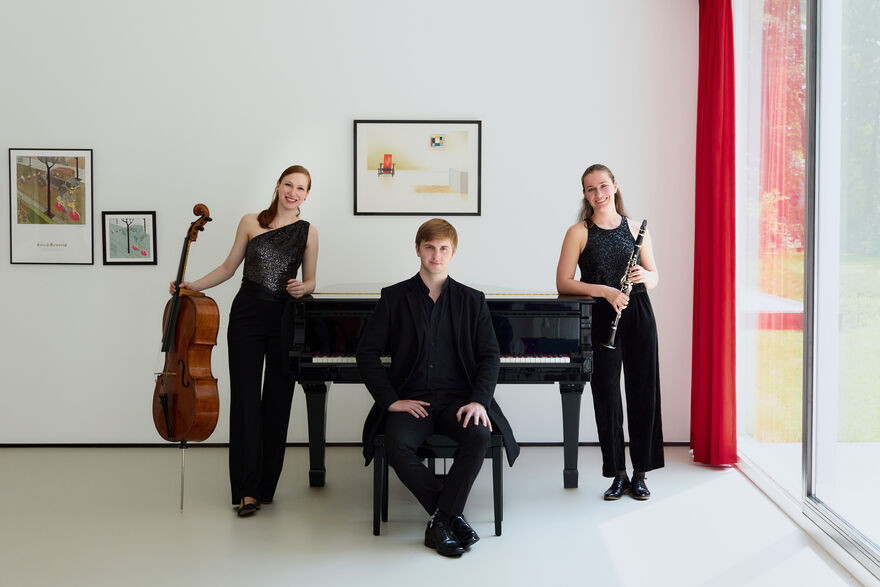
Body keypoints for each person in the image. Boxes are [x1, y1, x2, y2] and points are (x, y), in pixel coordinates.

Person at [357, 218, 519, 557]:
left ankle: (441, 521)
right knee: (397, 445)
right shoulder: (394, 297)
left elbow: (490, 356)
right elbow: (366, 352)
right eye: (429, 247)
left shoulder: (472, 300)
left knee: (479, 436)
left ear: (453, 253)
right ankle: (450, 516)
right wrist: (391, 401)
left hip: (459, 401)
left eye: (444, 248)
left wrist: (479, 401)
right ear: (418, 250)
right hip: (412, 401)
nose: (436, 255)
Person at [169, 164, 318, 517]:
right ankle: (247, 491)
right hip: (247, 316)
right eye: (288, 184)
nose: (293, 192)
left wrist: (303, 287)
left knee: (278, 400)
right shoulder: (250, 222)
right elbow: (228, 268)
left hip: (284, 318)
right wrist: (191, 286)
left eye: (300, 188)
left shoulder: (309, 232)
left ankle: (266, 487)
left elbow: (311, 280)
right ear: (278, 186)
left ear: (307, 195)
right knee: (246, 401)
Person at [555, 163, 663, 501]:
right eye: (591, 189)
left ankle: (641, 474)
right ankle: (618, 474)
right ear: (585, 194)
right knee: (606, 395)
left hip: (638, 312)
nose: (598, 194)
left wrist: (645, 276)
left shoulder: (637, 228)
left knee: (644, 392)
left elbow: (654, 275)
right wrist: (604, 291)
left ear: (615, 186)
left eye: (603, 186)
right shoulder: (579, 232)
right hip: (602, 316)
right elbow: (563, 283)